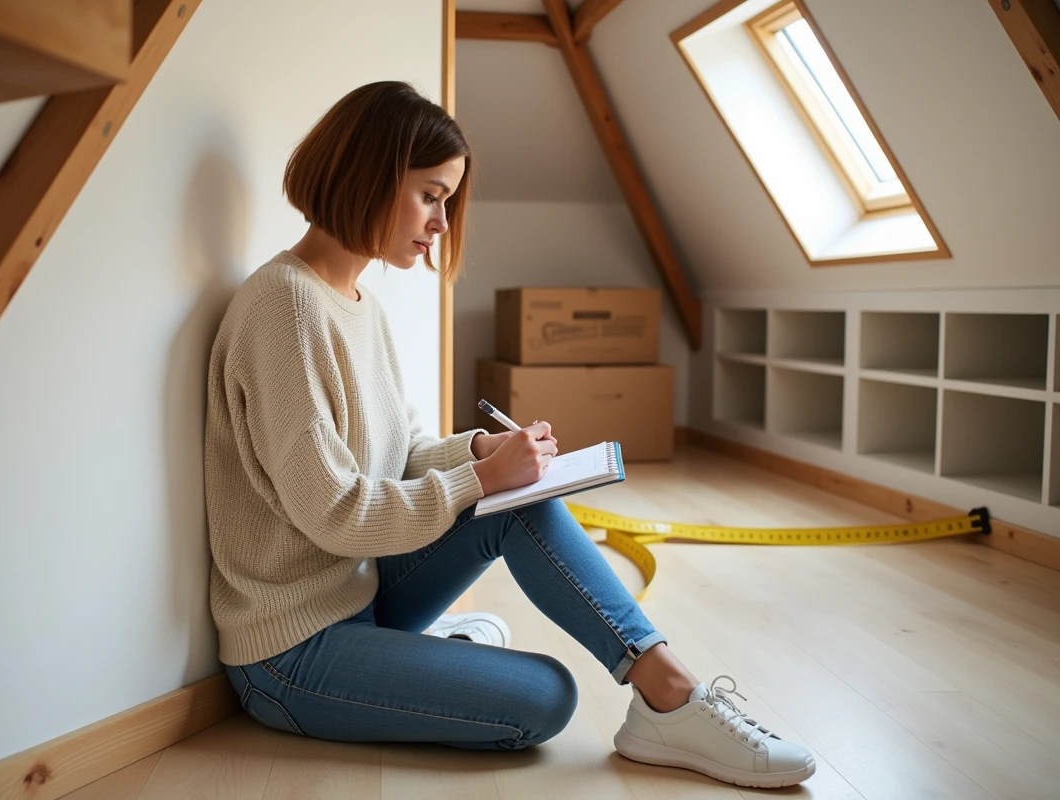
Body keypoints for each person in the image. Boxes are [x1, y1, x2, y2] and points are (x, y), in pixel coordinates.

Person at [203, 81, 815, 789]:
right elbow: (334, 511)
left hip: (358, 593)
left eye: (447, 201)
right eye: (431, 195)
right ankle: (620, 687)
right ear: (367, 173)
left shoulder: (356, 304)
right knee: (546, 699)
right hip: (290, 652)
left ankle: (670, 694)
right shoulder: (286, 307)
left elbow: (398, 456)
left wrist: (479, 454)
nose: (440, 221)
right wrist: (478, 481)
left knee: (524, 496)